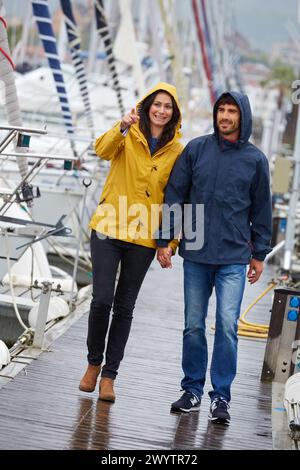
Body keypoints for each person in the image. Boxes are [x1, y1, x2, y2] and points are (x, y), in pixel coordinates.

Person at [156, 91, 272, 424]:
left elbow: (262, 209)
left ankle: (221, 397)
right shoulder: (196, 150)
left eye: (231, 111)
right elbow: (175, 194)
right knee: (193, 325)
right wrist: (165, 239)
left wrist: (259, 253)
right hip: (196, 253)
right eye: (221, 109)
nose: (224, 115)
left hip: (234, 257)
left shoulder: (255, 160)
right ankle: (191, 389)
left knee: (226, 325)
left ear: (242, 116)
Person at [79, 83, 183, 402]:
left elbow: (178, 197)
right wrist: (121, 126)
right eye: (157, 104)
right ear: (146, 105)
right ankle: (93, 364)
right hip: (109, 228)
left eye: (168, 106)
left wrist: (172, 242)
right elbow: (101, 150)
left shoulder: (179, 150)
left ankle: (110, 376)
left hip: (144, 237)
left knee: (125, 307)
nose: (161, 110)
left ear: (174, 113)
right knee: (101, 300)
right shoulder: (127, 131)